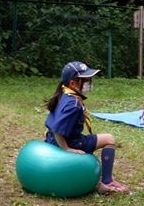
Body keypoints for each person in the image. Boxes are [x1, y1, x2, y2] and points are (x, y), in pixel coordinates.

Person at [45, 61, 131, 193]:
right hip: (68, 141)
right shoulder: (73, 104)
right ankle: (107, 181)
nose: (89, 83)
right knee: (109, 139)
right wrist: (67, 149)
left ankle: (98, 181)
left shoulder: (64, 93)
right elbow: (58, 129)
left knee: (95, 139)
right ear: (73, 83)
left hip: (51, 138)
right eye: (85, 80)